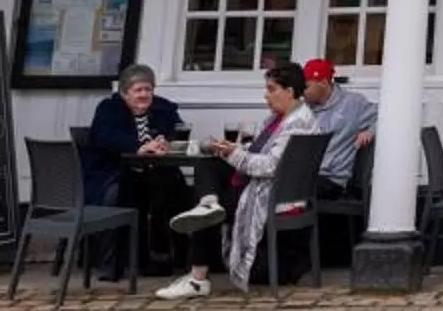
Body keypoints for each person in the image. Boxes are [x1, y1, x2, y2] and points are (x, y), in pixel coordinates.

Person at [159, 59, 321, 297]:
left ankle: (197, 279)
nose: (266, 96)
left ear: (289, 92)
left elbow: (270, 166)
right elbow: (261, 151)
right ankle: (209, 203)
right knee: (209, 165)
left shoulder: (297, 123)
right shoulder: (280, 117)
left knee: (211, 214)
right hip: (264, 185)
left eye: (271, 89)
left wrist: (235, 154)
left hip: (269, 193)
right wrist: (233, 149)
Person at [81, 63, 185, 281]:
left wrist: (166, 141)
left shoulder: (163, 108)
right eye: (138, 90)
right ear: (124, 93)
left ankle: (165, 256)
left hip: (154, 172)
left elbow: (178, 129)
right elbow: (103, 136)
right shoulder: (109, 109)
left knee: (170, 186)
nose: (144, 95)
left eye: (148, 89)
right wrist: (138, 146)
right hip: (111, 173)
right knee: (128, 191)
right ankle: (117, 261)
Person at [298, 59, 377, 194]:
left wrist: (371, 130)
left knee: (284, 190)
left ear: (323, 83)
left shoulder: (353, 103)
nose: (302, 92)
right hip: (304, 175)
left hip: (331, 179)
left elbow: (386, 117)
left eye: (306, 87)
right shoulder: (302, 109)